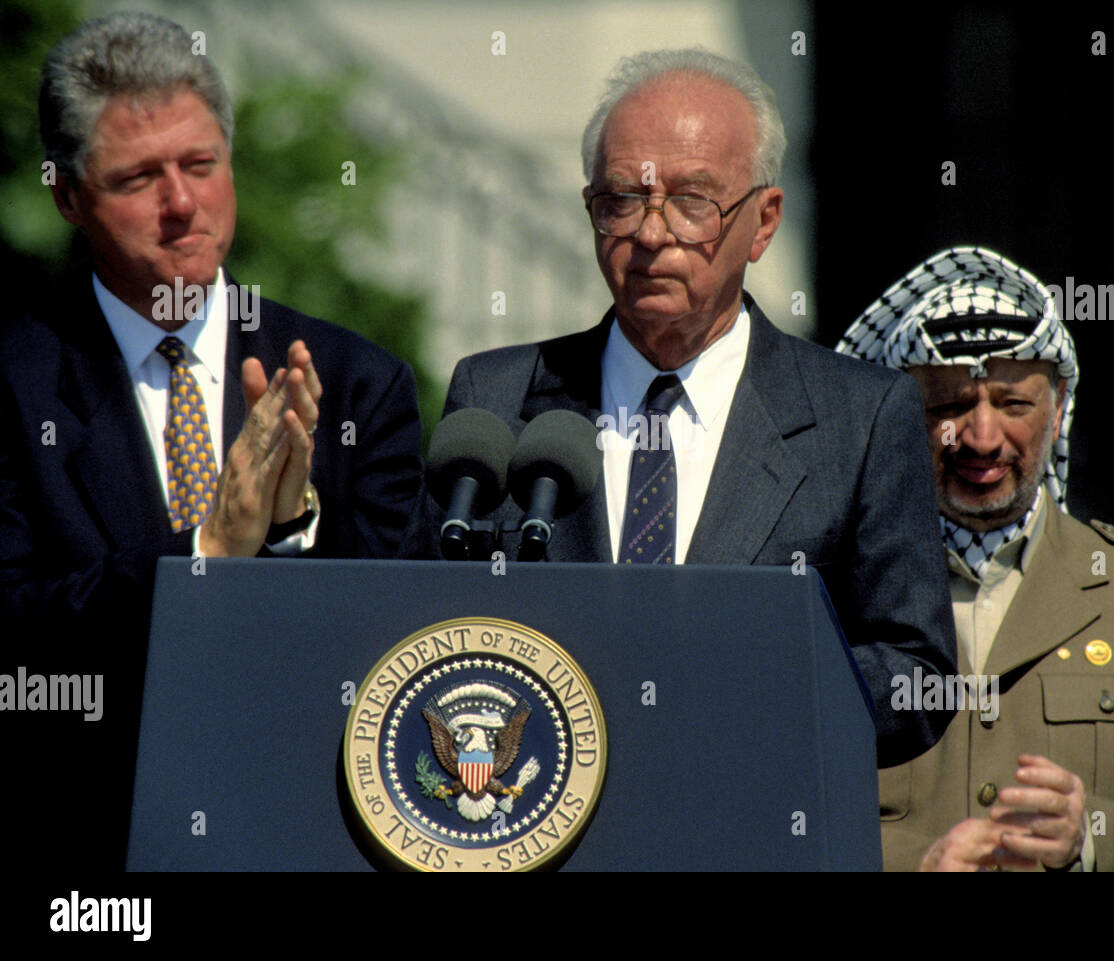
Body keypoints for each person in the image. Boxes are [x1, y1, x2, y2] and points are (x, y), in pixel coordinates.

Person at [403, 49, 957, 768]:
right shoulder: (498, 397)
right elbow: (422, 624)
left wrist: (736, 697)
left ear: (764, 221)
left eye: (693, 201)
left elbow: (918, 673)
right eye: (621, 201)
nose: (652, 235)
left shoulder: (860, 416)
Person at [0, 10, 423, 867]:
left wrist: (295, 524)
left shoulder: (353, 382)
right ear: (67, 194)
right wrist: (207, 550)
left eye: (200, 164)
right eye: (137, 178)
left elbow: (402, 647)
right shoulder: (13, 384)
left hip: (312, 839)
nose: (181, 203)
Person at [837, 246, 1114, 870]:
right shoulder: (829, 599)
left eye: (1012, 404)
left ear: (1058, 409)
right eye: (948, 406)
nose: (981, 438)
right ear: (897, 417)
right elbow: (767, 817)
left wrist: (1090, 840)